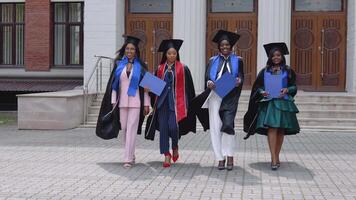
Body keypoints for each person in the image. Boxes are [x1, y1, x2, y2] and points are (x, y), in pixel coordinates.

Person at [243, 42, 300, 170]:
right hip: (269, 104)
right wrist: (262, 92)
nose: (276, 58)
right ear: (270, 57)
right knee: (272, 128)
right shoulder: (264, 71)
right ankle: (273, 158)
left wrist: (287, 90)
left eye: (278, 55)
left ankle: (277, 155)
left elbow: (294, 87)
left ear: (282, 56)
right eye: (273, 56)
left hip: (283, 103)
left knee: (281, 130)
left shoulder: (288, 71)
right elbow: (257, 88)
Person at [193, 30, 244, 170]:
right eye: (222, 45)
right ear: (219, 47)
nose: (225, 47)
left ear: (231, 46)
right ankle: (219, 157)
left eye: (227, 45)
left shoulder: (238, 60)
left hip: (230, 97)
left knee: (228, 126)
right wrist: (209, 82)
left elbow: (241, 76)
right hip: (215, 96)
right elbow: (207, 77)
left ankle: (230, 156)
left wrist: (239, 80)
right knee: (215, 128)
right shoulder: (212, 61)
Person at [97, 35, 150, 168]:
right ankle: (130, 154)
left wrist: (147, 104)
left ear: (136, 51)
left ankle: (127, 158)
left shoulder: (142, 66)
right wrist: (113, 102)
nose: (129, 51)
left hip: (136, 103)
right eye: (127, 48)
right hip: (121, 103)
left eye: (132, 49)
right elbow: (114, 85)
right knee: (125, 129)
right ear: (124, 50)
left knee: (131, 129)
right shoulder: (118, 65)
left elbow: (147, 89)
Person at [145, 39, 197, 168]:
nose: (172, 56)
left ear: (177, 54)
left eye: (174, 53)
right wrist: (149, 87)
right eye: (169, 53)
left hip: (176, 104)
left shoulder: (183, 68)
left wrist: (189, 104)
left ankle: (175, 146)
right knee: (163, 129)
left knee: (173, 127)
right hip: (162, 103)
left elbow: (189, 88)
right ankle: (166, 154)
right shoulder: (160, 68)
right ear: (165, 55)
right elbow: (155, 86)